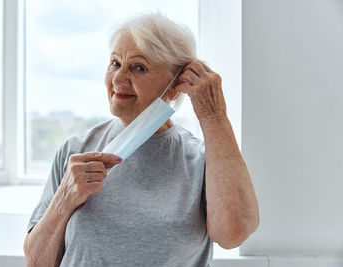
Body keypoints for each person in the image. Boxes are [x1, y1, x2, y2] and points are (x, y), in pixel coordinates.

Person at [23, 12, 260, 267]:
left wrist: (214, 116)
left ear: (175, 83)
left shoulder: (201, 160)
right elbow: (37, 262)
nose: (117, 79)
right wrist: (64, 199)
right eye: (115, 63)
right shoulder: (75, 151)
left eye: (138, 67)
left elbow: (233, 234)